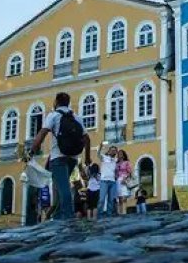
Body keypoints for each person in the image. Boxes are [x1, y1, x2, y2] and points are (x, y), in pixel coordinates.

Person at [28, 92, 90, 220]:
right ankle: (57, 217)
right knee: (60, 187)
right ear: (68, 103)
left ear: (56, 102)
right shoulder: (76, 117)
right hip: (73, 157)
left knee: (64, 189)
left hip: (58, 158)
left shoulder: (54, 115)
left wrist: (32, 152)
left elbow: (42, 134)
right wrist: (87, 157)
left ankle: (68, 218)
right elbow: (87, 139)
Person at [97, 146, 120, 218]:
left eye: (114, 150)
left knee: (111, 200)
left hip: (113, 182)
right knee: (102, 199)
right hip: (104, 181)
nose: (113, 151)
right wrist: (100, 147)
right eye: (112, 150)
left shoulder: (116, 160)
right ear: (109, 151)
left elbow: (116, 170)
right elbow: (98, 154)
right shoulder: (104, 157)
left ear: (116, 152)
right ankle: (99, 215)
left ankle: (109, 215)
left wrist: (116, 175)